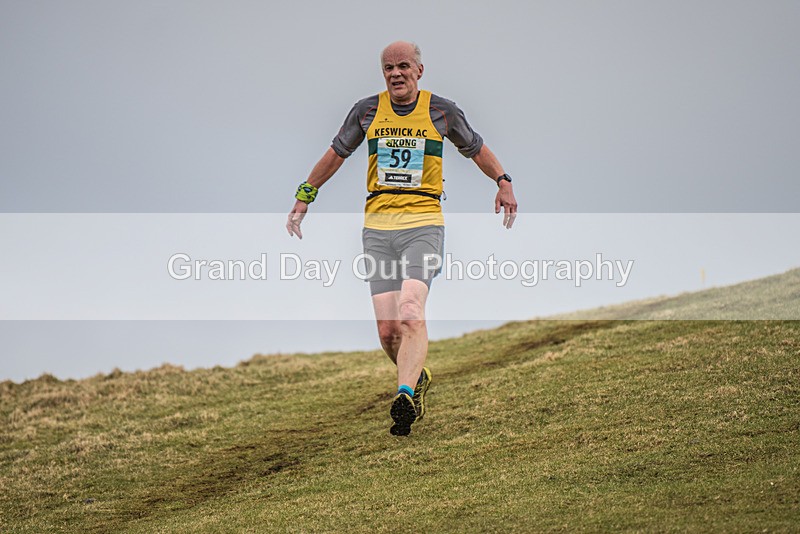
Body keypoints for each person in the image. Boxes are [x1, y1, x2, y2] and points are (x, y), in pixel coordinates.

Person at [286, 41, 517, 436]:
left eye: (403, 66)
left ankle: (406, 395)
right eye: (388, 68)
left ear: (419, 71)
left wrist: (503, 182)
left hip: (423, 222)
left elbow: (475, 147)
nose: (395, 73)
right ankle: (417, 375)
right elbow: (335, 154)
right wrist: (305, 194)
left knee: (411, 310)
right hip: (377, 227)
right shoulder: (366, 111)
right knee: (389, 331)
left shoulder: (442, 111)